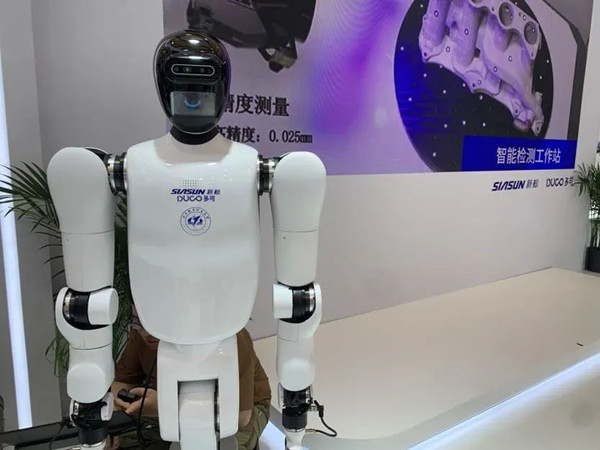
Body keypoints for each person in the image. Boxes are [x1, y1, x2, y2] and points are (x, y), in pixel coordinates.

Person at [107, 308, 271, 450]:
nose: (145, 333)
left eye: (154, 323)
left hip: (235, 413)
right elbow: (121, 383)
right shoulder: (142, 334)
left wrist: (165, 409)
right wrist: (117, 407)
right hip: (165, 406)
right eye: (138, 322)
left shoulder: (229, 337)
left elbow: (241, 417)